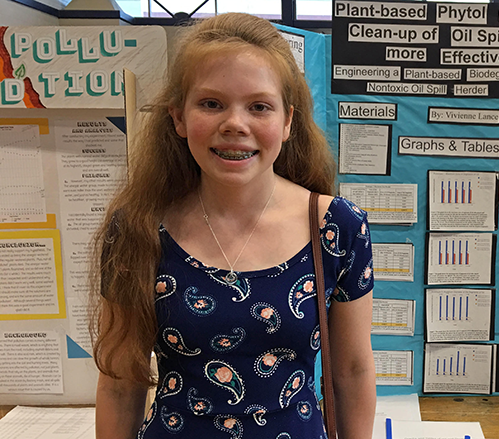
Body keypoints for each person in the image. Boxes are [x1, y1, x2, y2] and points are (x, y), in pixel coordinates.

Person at [89, 13, 376, 439]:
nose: (235, 124)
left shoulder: (336, 228)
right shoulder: (138, 227)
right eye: (211, 103)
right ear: (179, 118)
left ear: (287, 122)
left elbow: (350, 373)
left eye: (259, 106)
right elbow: (119, 383)